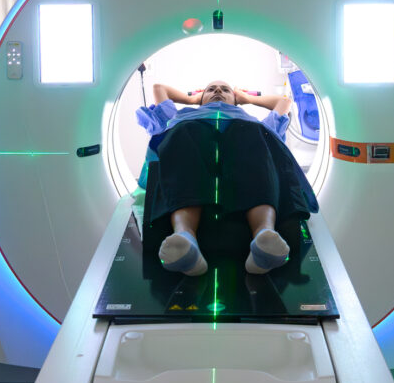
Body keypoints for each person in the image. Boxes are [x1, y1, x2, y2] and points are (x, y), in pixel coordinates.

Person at [135, 80, 318, 277]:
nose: (218, 91)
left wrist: (246, 98)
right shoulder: (182, 117)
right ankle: (184, 238)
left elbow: (284, 102)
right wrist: (193, 100)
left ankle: (264, 237)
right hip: (192, 154)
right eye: (211, 89)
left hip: (244, 160)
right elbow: (159, 88)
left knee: (252, 131)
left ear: (235, 99)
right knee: (183, 130)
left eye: (225, 90)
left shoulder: (251, 122)